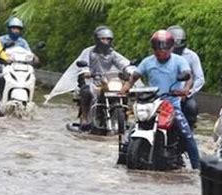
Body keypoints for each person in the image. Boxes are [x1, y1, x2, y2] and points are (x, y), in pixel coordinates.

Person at [120, 30, 200, 169]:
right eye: (157, 49)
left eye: (164, 49)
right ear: (153, 49)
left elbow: (188, 75)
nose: (161, 52)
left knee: (187, 135)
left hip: (171, 105)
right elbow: (134, 77)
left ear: (172, 48)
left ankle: (197, 168)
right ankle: (121, 161)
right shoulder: (147, 62)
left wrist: (185, 89)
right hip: (151, 104)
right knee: (131, 132)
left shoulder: (179, 61)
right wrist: (125, 89)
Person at [69, 25, 132, 132]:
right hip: (91, 80)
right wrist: (86, 71)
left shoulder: (112, 54)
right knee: (87, 91)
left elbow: (123, 63)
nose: (105, 41)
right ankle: (85, 117)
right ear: (97, 39)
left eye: (108, 39)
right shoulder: (89, 52)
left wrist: (129, 70)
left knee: (123, 92)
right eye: (103, 39)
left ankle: (124, 118)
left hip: (106, 81)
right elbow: (83, 64)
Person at [167, 25, 205, 126]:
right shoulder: (161, 57)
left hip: (184, 94)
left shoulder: (191, 56)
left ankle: (189, 132)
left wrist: (188, 92)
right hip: (165, 94)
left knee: (191, 108)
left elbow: (200, 78)